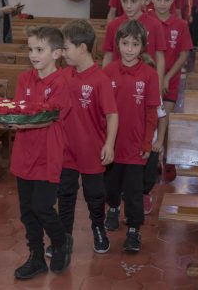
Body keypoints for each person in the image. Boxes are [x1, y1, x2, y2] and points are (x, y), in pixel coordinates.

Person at [10, 26, 73, 279]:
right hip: (23, 153)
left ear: (56, 53)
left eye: (39, 49)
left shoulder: (62, 82)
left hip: (48, 154)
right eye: (30, 49)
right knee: (27, 211)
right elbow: (18, 109)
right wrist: (10, 117)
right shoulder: (24, 79)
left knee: (42, 206)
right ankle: (36, 256)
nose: (33, 55)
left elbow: (50, 116)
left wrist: (21, 121)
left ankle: (61, 241)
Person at [54, 19, 118, 255]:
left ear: (82, 48)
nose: (63, 53)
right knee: (65, 193)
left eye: (66, 48)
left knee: (95, 195)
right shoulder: (64, 75)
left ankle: (98, 228)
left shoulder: (100, 79)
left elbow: (112, 115)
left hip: (92, 148)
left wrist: (109, 144)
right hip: (67, 149)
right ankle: (63, 237)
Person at [103, 20, 161, 252]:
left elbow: (151, 112)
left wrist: (148, 141)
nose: (129, 49)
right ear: (118, 44)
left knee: (135, 192)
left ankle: (134, 230)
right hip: (112, 144)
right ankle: (114, 208)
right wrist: (103, 141)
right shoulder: (108, 72)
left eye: (134, 44)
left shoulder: (149, 75)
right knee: (111, 185)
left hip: (136, 145)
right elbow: (102, 111)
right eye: (125, 43)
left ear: (142, 46)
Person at [150, 0, 193, 182]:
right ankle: (151, 157)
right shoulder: (146, 21)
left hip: (171, 78)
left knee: (165, 116)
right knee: (149, 118)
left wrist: (166, 76)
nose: (162, 3)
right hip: (148, 77)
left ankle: (166, 159)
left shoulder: (180, 24)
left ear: (172, 1)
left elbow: (184, 55)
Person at [102, 0, 166, 90]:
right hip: (117, 84)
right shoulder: (113, 25)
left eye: (133, 1)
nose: (128, 6)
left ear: (143, 0)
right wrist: (104, 85)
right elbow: (108, 56)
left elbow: (160, 57)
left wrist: (158, 85)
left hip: (145, 83)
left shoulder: (155, 25)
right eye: (124, 1)